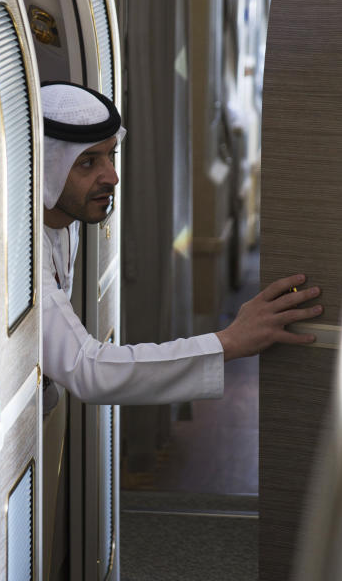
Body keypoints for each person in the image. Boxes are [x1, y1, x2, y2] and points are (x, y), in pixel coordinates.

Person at [40, 81, 323, 404]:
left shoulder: (65, 219)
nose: (112, 177)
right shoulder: (23, 258)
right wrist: (229, 341)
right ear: (48, 170)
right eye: (88, 162)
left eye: (110, 156)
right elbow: (88, 369)